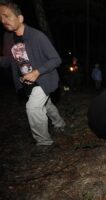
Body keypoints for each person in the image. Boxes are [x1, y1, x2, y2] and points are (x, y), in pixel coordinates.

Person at [0, 0, 65, 153]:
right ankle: (60, 124)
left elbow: (56, 59)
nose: (3, 21)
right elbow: (8, 62)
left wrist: (37, 72)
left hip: (43, 79)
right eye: (1, 18)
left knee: (33, 107)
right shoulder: (8, 37)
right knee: (46, 105)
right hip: (25, 82)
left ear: (20, 18)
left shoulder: (37, 36)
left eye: (7, 16)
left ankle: (44, 143)